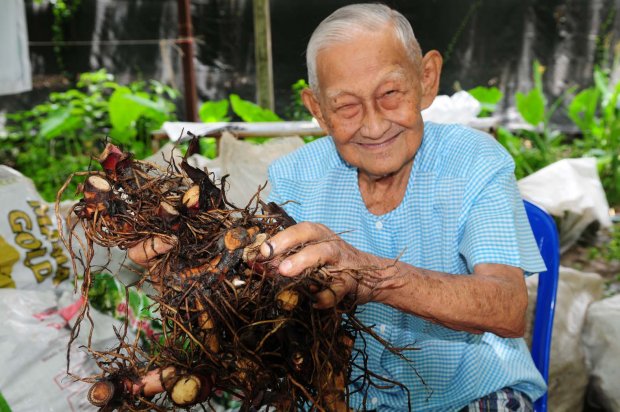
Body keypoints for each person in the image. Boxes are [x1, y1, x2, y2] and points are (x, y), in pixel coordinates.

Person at [130, 4, 547, 411]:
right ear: (318, 111)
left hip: (470, 394)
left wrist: (370, 275)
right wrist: (195, 275)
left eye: (390, 93)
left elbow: (508, 307)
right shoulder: (293, 177)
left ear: (426, 78)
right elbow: (270, 315)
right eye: (346, 106)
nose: (374, 124)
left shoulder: (475, 160)